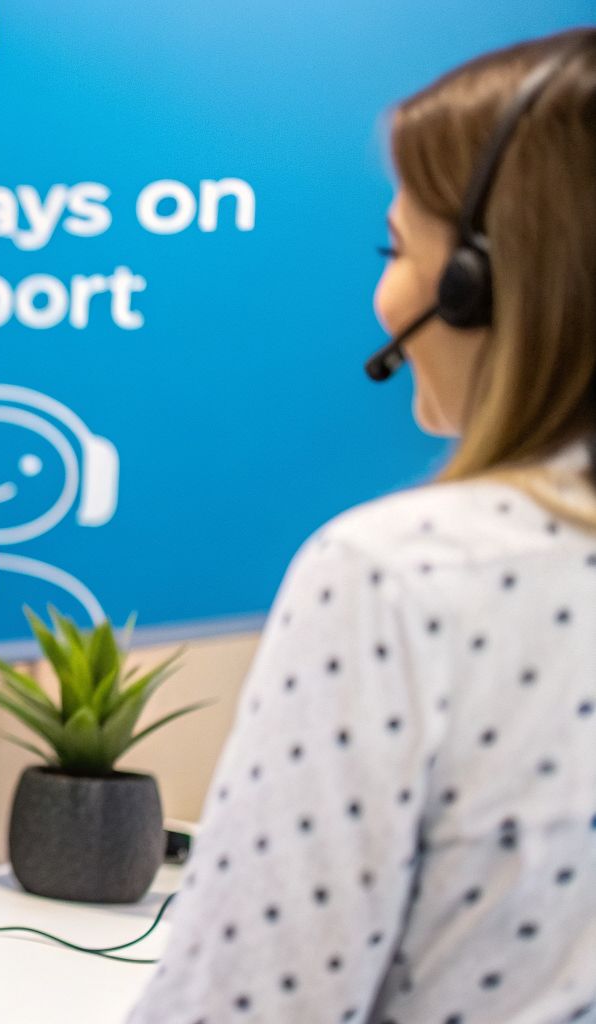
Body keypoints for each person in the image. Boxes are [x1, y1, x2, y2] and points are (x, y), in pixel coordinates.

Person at [128, 29, 596, 1023]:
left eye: (397, 247)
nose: (382, 290)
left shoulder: (402, 577)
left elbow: (249, 1007)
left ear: (473, 284)